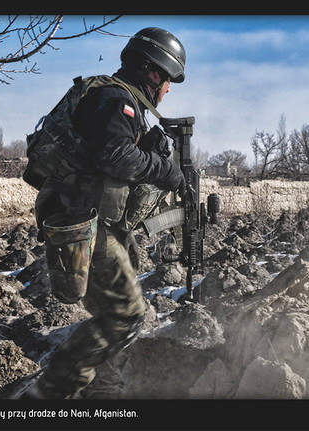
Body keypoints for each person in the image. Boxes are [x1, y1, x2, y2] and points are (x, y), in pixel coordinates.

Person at [20, 27, 187, 399]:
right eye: (168, 80)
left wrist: (152, 149)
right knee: (125, 315)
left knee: (111, 316)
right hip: (85, 222)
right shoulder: (115, 99)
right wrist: (167, 171)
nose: (168, 90)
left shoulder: (110, 98)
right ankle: (47, 395)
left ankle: (103, 396)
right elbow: (115, 154)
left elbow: (112, 153)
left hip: (97, 220)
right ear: (153, 73)